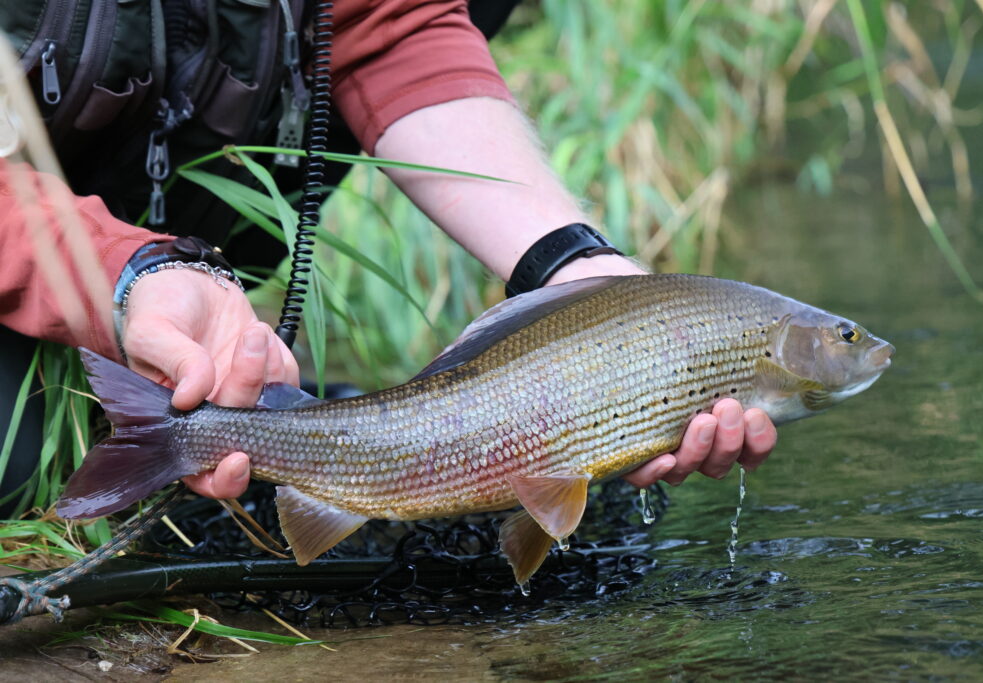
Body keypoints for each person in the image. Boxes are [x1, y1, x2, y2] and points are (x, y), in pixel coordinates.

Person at [0, 0, 776, 511]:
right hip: (47, 245)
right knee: (16, 462)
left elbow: (390, 22)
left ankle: (214, 383)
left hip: (170, 254)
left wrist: (565, 263)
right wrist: (121, 272)